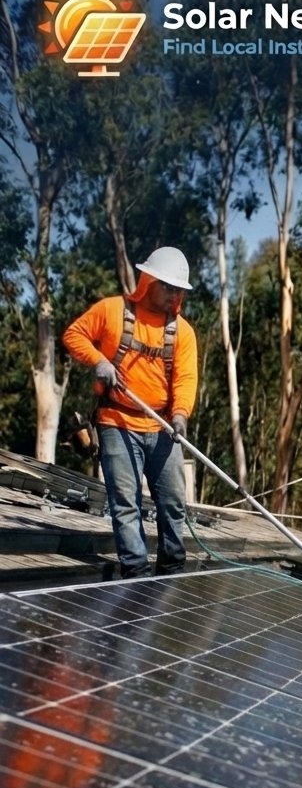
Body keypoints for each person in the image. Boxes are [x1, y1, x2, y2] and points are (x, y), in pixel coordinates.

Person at [63, 247, 198, 578]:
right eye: (168, 286)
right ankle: (137, 575)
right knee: (126, 502)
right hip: (117, 422)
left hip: (163, 427)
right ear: (148, 281)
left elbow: (185, 378)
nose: (174, 294)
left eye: (179, 289)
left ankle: (171, 571)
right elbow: (73, 335)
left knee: (172, 504)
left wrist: (180, 415)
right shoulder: (111, 311)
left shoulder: (182, 332)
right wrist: (99, 361)